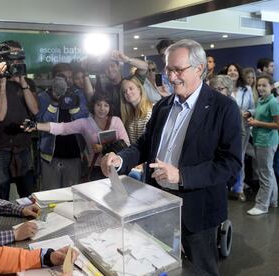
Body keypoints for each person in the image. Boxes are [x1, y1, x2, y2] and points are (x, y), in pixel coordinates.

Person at [101, 39, 242, 276]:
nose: (172, 76)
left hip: (198, 210)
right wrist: (121, 160)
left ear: (199, 69)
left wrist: (182, 175)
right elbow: (145, 145)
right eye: (168, 69)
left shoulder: (224, 108)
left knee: (201, 269)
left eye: (179, 69)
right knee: (158, 265)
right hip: (158, 204)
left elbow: (230, 163)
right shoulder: (163, 106)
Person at [26, 92, 129, 181]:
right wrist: (36, 126)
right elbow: (62, 128)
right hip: (96, 170)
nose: (102, 109)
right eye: (99, 105)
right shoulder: (85, 123)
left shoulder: (116, 121)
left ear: (110, 107)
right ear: (93, 105)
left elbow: (126, 144)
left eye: (106, 105)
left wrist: (104, 148)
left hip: (115, 167)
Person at [0, 40, 39, 200]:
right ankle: (4, 225)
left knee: (28, 193)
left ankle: (32, 223)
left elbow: (35, 110)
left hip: (22, 146)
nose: (16, 61)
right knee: (2, 193)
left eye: (19, 58)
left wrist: (22, 82)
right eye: (11, 58)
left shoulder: (28, 83)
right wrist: (1, 83)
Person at [36, 62, 89, 189]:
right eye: (63, 77)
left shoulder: (78, 94)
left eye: (70, 77)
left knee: (72, 196)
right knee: (50, 196)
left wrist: (71, 103)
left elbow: (83, 120)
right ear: (54, 78)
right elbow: (42, 123)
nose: (68, 80)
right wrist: (54, 101)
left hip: (74, 153)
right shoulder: (43, 96)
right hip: (50, 156)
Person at [245, 74, 279, 215]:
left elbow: (277, 124)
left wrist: (257, 123)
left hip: (267, 142)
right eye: (259, 85)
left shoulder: (273, 103)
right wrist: (250, 113)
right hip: (261, 140)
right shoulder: (261, 100)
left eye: (264, 85)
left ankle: (261, 205)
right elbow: (259, 111)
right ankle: (273, 201)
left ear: (271, 86)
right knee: (268, 172)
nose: (260, 88)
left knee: (264, 174)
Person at [226, 63, 254, 201]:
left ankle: (239, 188)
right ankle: (227, 187)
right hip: (228, 129)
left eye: (235, 70)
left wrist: (248, 112)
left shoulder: (247, 89)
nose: (232, 72)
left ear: (239, 72)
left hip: (243, 128)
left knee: (240, 158)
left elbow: (253, 108)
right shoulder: (224, 88)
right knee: (227, 157)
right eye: (230, 70)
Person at [120, 76, 153, 144]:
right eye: (124, 91)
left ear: (139, 89)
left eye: (131, 88)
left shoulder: (150, 111)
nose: (128, 93)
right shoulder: (130, 116)